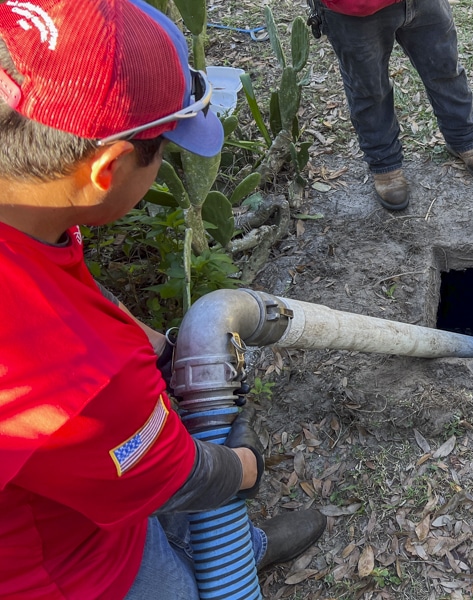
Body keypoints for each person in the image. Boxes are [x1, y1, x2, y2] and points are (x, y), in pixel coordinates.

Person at [0, 1, 325, 598]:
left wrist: (152, 347)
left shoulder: (23, 204)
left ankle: (236, 550)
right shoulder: (77, 372)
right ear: (107, 167)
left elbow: (60, 276)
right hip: (70, 570)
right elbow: (180, 477)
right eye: (165, 148)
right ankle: (224, 570)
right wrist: (246, 462)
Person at [312, 0, 473, 210]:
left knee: (445, 68)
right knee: (369, 89)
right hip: (355, 8)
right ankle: (385, 164)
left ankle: (464, 139)